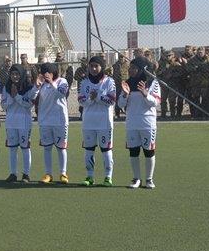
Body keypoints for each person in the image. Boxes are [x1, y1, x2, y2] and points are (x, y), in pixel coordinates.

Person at [119, 57, 161, 189]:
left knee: (149, 151)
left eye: (134, 68)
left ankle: (149, 179)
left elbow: (156, 102)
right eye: (130, 68)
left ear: (142, 69)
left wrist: (145, 94)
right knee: (133, 151)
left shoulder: (153, 83)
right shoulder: (126, 83)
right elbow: (120, 104)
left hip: (147, 123)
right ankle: (136, 179)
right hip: (132, 123)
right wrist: (125, 95)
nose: (130, 70)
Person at [78, 55, 116, 187]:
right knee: (89, 150)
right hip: (88, 123)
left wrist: (98, 97)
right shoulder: (84, 82)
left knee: (106, 150)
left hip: (104, 123)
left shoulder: (109, 81)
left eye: (96, 66)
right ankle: (90, 176)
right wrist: (91, 99)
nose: (93, 69)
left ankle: (108, 177)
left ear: (102, 67)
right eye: (91, 66)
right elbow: (81, 101)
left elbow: (111, 100)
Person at [1, 64, 37, 182]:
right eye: (12, 74)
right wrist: (11, 97)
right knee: (12, 149)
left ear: (21, 75)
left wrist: (17, 96)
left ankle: (26, 174)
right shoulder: (6, 87)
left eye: (17, 74)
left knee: (25, 148)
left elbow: (29, 104)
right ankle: (13, 173)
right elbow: (3, 105)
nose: (15, 76)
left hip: (24, 122)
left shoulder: (29, 87)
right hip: (11, 122)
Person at [36, 63, 69, 184]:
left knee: (61, 148)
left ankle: (63, 173)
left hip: (60, 121)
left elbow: (61, 93)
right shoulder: (41, 84)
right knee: (47, 148)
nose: (46, 75)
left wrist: (51, 83)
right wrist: (36, 86)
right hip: (45, 121)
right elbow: (33, 97)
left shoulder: (62, 81)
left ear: (53, 73)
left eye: (48, 72)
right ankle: (48, 174)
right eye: (44, 72)